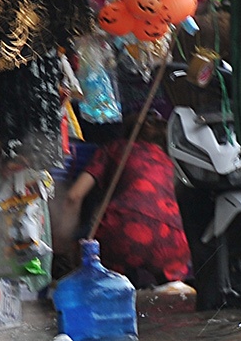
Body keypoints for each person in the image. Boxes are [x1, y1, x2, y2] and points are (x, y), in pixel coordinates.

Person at [51, 119, 192, 293]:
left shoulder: (115, 148)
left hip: (124, 232)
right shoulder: (170, 163)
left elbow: (74, 196)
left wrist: (64, 245)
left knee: (97, 277)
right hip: (172, 242)